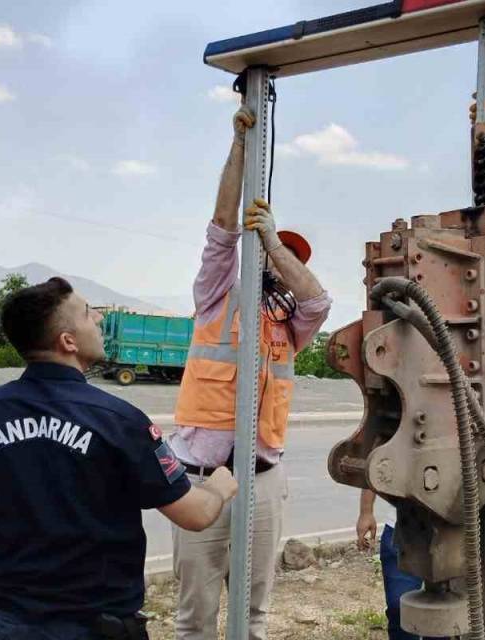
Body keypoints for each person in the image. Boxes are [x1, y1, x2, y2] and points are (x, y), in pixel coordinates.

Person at [0, 277, 238, 640]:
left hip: (10, 625)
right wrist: (218, 486)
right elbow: (195, 513)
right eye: (86, 313)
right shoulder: (119, 421)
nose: (97, 317)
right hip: (99, 627)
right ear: (68, 341)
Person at [167, 105, 332, 640]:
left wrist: (277, 243)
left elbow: (319, 300)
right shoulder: (217, 299)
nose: (276, 269)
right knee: (195, 617)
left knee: (254, 616)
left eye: (283, 262)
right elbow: (219, 230)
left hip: (261, 480)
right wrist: (240, 147)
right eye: (265, 255)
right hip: (200, 479)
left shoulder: (290, 324)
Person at [356, 490, 436, 640]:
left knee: (443, 612)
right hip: (401, 528)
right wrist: (366, 511)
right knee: (399, 609)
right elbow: (374, 467)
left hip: (452, 530)